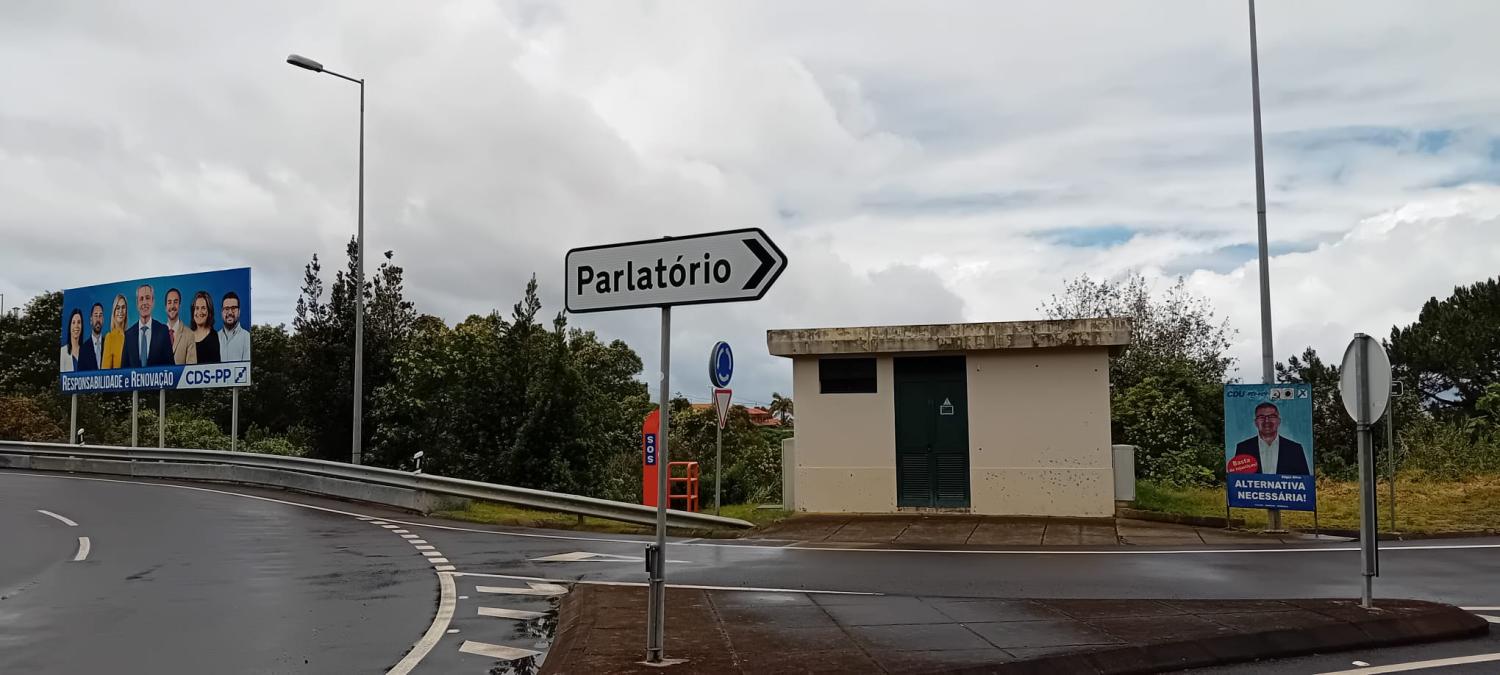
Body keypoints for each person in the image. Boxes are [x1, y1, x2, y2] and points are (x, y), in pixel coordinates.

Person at [1227, 401, 1309, 475]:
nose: (1267, 421)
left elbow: (1304, 482)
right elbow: (1238, 481)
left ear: (1278, 421)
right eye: (1261, 417)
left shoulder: (1295, 449)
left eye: (1272, 416)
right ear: (1256, 422)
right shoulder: (1243, 448)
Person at [123, 283, 174, 368]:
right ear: (137, 303)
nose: (145, 302)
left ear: (153, 301)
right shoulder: (129, 335)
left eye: (147, 298)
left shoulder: (163, 331)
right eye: (141, 299)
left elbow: (171, 368)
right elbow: (123, 370)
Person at [218, 291, 250, 363]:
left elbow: (246, 369)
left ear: (239, 311)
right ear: (222, 312)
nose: (230, 312)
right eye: (226, 309)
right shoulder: (215, 338)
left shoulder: (247, 338)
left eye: (233, 308)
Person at [189, 291, 220, 365]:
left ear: (209, 312)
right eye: (196, 308)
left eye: (203, 308)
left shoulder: (216, 337)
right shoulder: (187, 336)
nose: (199, 312)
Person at [164, 287, 192, 365]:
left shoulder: (189, 334)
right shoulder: (157, 335)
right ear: (165, 307)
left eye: (175, 302)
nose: (172, 306)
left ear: (179, 305)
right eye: (169, 302)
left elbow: (191, 369)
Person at [101, 294, 128, 369]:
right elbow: (105, 372)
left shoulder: (131, 336)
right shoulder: (110, 337)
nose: (120, 311)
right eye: (117, 308)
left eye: (123, 307)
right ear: (114, 311)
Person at [78, 303, 105, 371]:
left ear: (103, 320)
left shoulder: (109, 344)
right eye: (96, 316)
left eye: (100, 316)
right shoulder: (83, 349)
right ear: (91, 320)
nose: (98, 319)